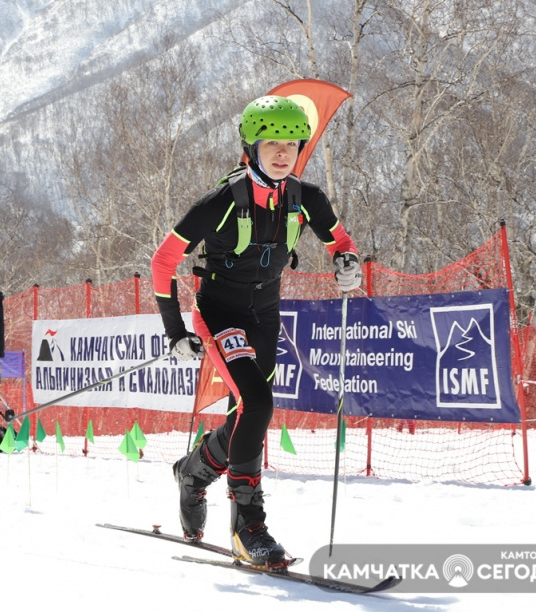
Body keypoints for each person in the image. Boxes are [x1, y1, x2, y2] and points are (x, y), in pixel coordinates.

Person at [150, 95, 361, 569]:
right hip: (220, 312)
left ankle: (192, 472)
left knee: (250, 412)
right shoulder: (223, 200)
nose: (283, 152)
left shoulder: (307, 198)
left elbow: (340, 242)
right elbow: (163, 261)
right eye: (272, 143)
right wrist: (175, 330)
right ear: (253, 146)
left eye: (291, 143)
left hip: (266, 315)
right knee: (259, 405)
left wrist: (346, 264)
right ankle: (250, 525)